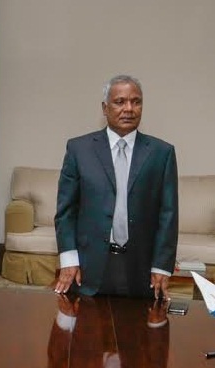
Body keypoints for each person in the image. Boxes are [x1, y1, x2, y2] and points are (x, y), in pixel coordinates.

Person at [54, 75, 179, 299]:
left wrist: (161, 266)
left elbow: (168, 214)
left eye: (136, 101)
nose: (129, 109)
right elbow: (66, 211)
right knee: (84, 329)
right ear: (105, 108)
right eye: (120, 102)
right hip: (88, 265)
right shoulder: (79, 149)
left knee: (140, 331)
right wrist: (69, 259)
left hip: (141, 267)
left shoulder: (162, 153)